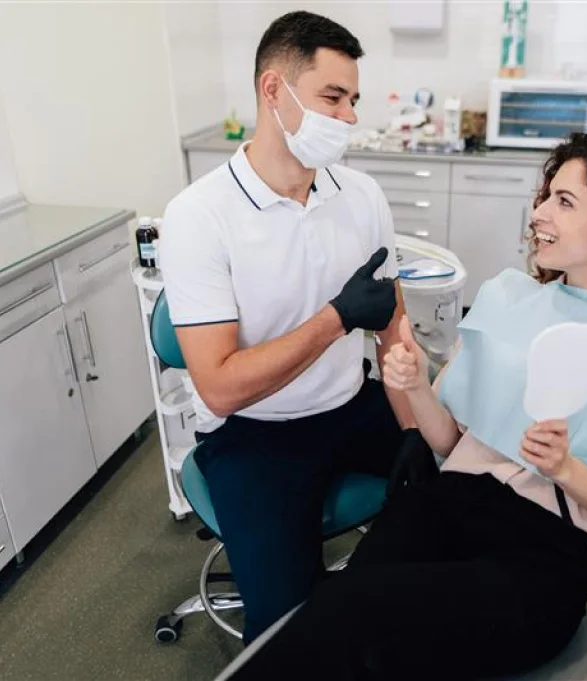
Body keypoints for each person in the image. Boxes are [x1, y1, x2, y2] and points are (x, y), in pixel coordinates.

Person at [228, 133, 587, 680]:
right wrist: (413, 386)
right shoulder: (512, 303)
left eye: (564, 201)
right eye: (545, 195)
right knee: (350, 629)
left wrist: (566, 469)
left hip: (539, 553)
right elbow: (451, 442)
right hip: (443, 507)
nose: (539, 213)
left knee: (352, 613)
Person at [158, 11, 415, 644]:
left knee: (464, 497)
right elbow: (218, 387)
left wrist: (418, 419)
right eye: (333, 97)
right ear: (274, 90)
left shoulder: (361, 196)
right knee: (287, 643)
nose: (350, 117)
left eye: (352, 99)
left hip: (351, 405)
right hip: (254, 434)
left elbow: (393, 329)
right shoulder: (199, 216)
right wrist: (335, 320)